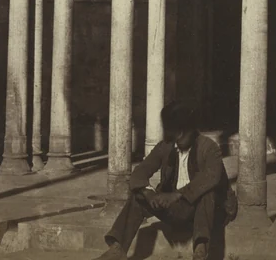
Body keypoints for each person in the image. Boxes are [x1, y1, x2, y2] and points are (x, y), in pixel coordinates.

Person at [98, 101, 235, 260]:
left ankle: (200, 251)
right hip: (178, 209)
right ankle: (118, 250)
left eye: (183, 131)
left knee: (207, 193)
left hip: (208, 212)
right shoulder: (166, 146)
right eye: (176, 132)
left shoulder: (209, 147)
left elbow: (211, 178)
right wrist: (148, 193)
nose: (179, 136)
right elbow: (139, 173)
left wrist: (177, 195)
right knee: (138, 196)